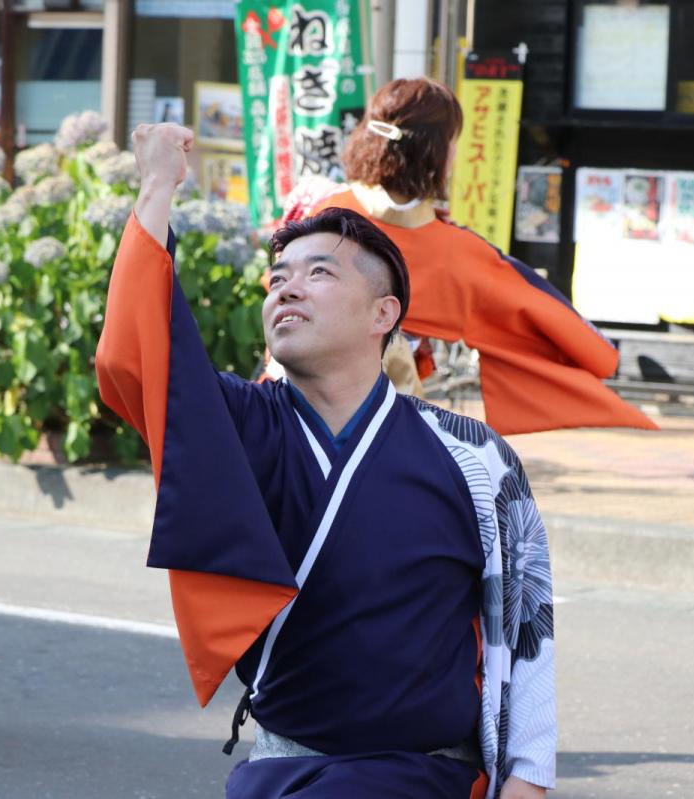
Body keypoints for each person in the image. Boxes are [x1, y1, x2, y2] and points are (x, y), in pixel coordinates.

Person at [96, 123, 555, 798]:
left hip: (424, 774)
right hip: (279, 770)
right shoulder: (243, 424)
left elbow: (527, 624)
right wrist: (159, 186)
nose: (286, 289)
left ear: (383, 313)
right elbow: (137, 357)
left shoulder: (474, 456)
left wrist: (529, 777)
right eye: (276, 279)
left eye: (318, 273)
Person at [286, 77, 657, 435]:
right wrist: (602, 355)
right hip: (376, 425)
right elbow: (544, 315)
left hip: (286, 407)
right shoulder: (457, 254)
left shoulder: (317, 207)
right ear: (437, 153)